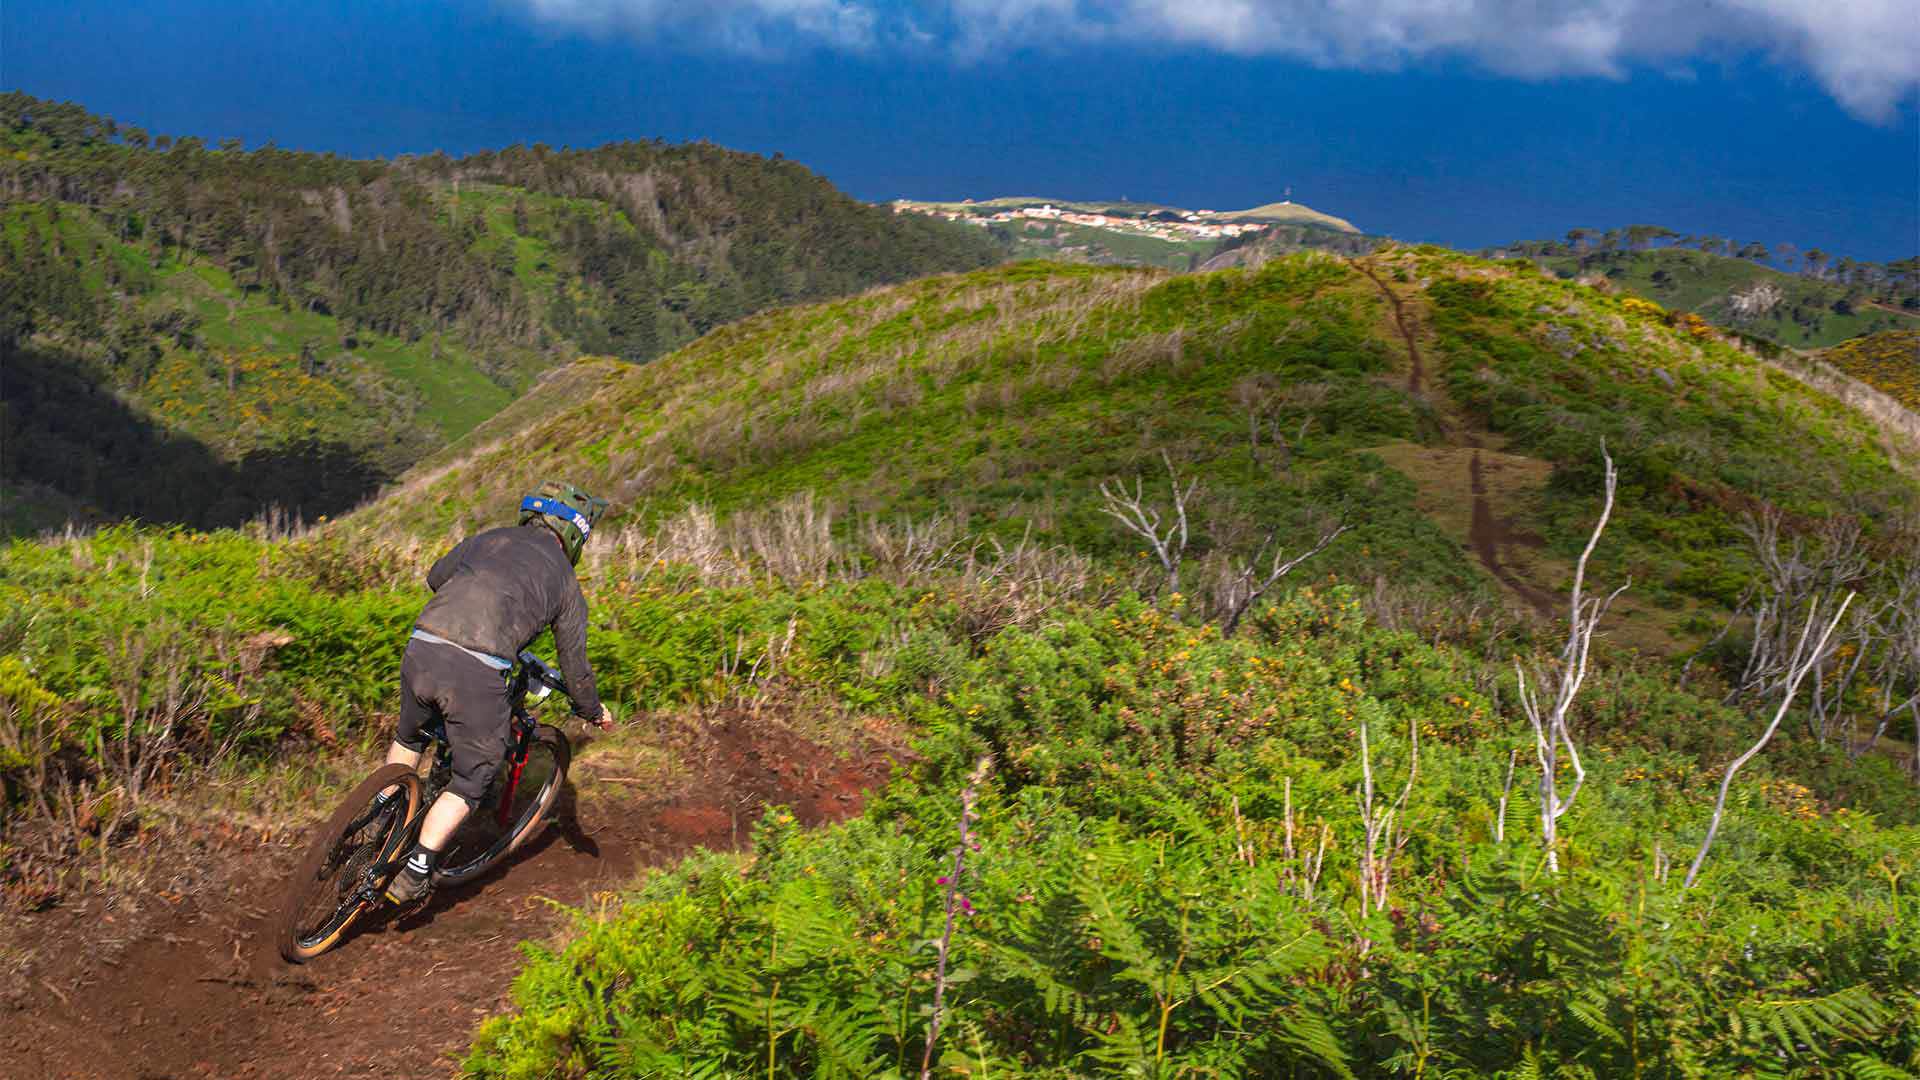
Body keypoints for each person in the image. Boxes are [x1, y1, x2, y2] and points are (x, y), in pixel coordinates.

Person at [381, 481, 615, 904]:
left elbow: (436, 577)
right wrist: (592, 711)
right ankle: (416, 870)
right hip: (476, 668)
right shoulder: (565, 582)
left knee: (409, 736)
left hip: (424, 642)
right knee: (474, 775)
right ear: (574, 535)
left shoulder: (490, 537)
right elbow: (575, 668)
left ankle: (375, 817)